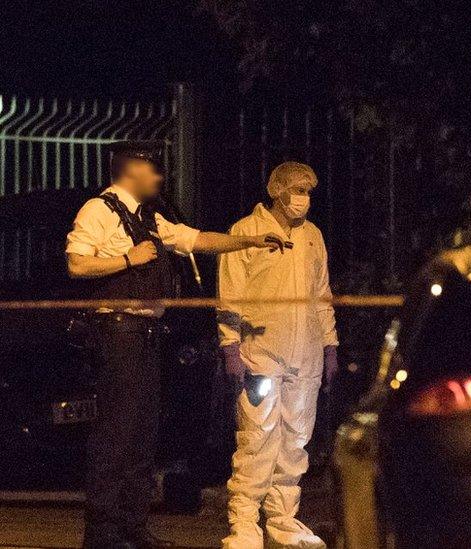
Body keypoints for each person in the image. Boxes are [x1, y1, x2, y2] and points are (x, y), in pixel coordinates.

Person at [65, 141, 284, 549]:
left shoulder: (148, 216)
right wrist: (128, 259)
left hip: (145, 334)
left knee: (143, 433)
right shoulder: (98, 210)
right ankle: (102, 535)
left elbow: (197, 239)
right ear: (132, 170)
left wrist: (251, 241)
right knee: (118, 435)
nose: (160, 177)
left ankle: (132, 527)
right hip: (118, 330)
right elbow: (77, 263)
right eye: (154, 170)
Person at [218, 161, 338, 549]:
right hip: (261, 353)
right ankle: (244, 523)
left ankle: (283, 519)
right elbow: (229, 295)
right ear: (277, 191)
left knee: (295, 440)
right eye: (297, 190)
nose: (303, 200)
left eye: (308, 192)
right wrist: (230, 346)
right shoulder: (245, 232)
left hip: (306, 356)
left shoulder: (312, 236)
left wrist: (330, 345)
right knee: (256, 436)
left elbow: (322, 294)